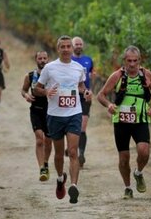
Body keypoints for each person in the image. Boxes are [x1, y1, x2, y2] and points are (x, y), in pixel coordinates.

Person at [97, 45, 151, 199]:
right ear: (124, 61)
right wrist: (109, 105)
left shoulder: (146, 75)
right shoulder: (117, 76)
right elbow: (101, 95)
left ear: (140, 60)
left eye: (135, 61)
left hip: (140, 120)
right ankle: (127, 188)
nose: (132, 64)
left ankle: (138, 173)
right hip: (121, 121)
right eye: (129, 61)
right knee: (124, 158)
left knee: (144, 151)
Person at [34, 35, 92, 204]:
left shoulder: (78, 68)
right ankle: (60, 179)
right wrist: (46, 92)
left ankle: (74, 185)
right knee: (59, 154)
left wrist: (86, 92)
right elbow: (37, 88)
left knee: (73, 151)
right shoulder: (49, 68)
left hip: (74, 114)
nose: (66, 49)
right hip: (55, 116)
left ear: (72, 49)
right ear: (58, 49)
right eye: (63, 47)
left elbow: (81, 86)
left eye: (69, 46)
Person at [20, 51, 52, 181]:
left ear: (48, 59)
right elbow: (23, 90)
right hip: (36, 110)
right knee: (40, 139)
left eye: (45, 58)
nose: (43, 60)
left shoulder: (52, 75)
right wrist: (26, 95)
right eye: (40, 58)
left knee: (49, 141)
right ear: (36, 60)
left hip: (50, 111)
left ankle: (45, 162)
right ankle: (42, 169)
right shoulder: (30, 76)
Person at [71, 36, 95, 168]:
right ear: (72, 45)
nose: (78, 46)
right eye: (76, 44)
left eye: (80, 44)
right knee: (71, 125)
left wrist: (90, 90)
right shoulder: (69, 60)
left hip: (85, 96)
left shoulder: (88, 60)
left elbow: (92, 76)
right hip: (72, 96)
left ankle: (81, 154)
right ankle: (71, 148)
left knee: (82, 127)